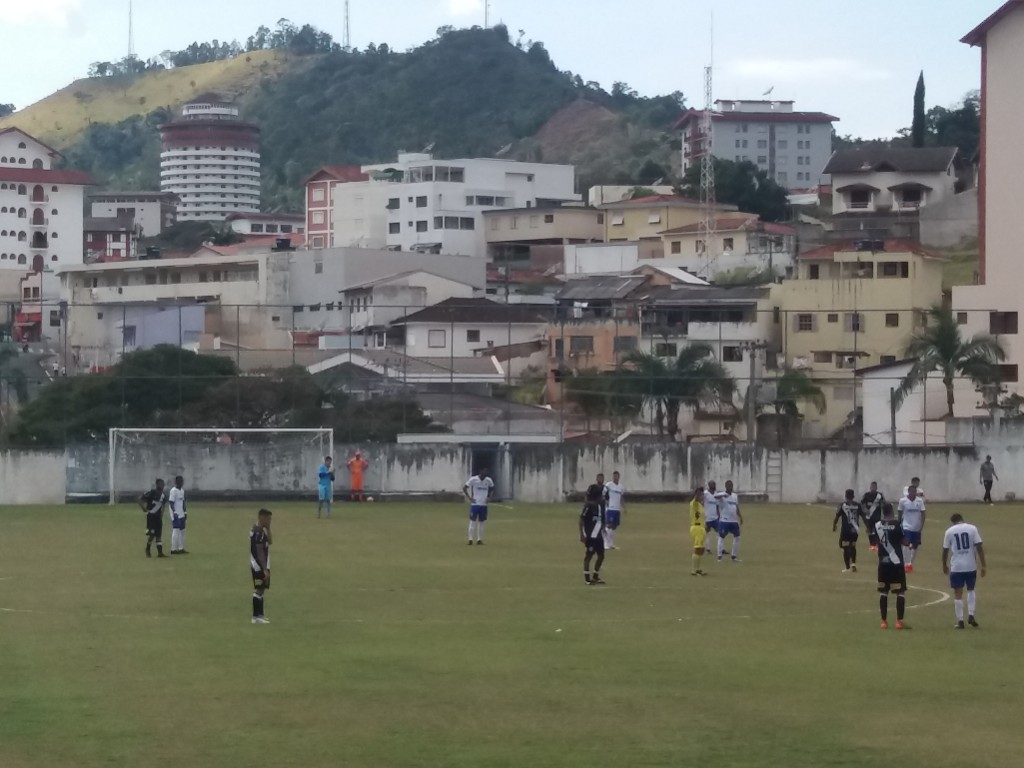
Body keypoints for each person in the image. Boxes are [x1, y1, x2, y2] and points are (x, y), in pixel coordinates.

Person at [942, 513, 986, 629]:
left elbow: (945, 550)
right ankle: (971, 614)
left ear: (953, 522)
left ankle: (960, 620)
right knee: (971, 589)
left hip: (957, 566)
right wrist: (983, 565)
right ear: (962, 519)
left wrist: (944, 565)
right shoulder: (972, 528)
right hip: (970, 565)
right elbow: (979, 547)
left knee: (958, 593)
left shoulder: (949, 531)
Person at [874, 502, 907, 630]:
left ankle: (883, 621)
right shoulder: (898, 524)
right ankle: (899, 622)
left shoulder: (878, 525)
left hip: (883, 562)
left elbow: (877, 541)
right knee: (900, 592)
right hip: (896, 562)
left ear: (883, 511)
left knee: (884, 591)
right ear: (892, 511)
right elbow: (905, 541)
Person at [833, 489, 867, 573]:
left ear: (845, 496)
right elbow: (863, 516)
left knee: (844, 546)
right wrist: (868, 527)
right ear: (853, 496)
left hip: (845, 530)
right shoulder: (858, 505)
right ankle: (853, 564)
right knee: (853, 545)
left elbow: (837, 516)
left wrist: (834, 525)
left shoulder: (843, 505)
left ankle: (847, 567)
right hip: (855, 530)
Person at [579, 481, 606, 585]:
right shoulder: (588, 506)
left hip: (599, 536)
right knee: (588, 556)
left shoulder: (599, 506)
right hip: (591, 536)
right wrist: (582, 534)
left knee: (601, 555)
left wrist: (603, 528)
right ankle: (587, 579)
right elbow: (581, 520)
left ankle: (595, 575)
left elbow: (600, 519)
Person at [250, 509, 273, 625]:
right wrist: (264, 569)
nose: (270, 521)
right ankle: (256, 617)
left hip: (263, 563)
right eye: (268, 519)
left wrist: (268, 528)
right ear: (262, 517)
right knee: (259, 589)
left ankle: (260, 615)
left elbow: (271, 541)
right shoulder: (258, 532)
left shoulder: (261, 529)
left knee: (262, 589)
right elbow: (259, 551)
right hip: (259, 565)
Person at [897, 485, 926, 573]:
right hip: (906, 526)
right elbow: (899, 513)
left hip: (916, 527)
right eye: (911, 491)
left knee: (915, 546)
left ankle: (910, 562)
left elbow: (923, 513)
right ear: (908, 492)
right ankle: (906, 563)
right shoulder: (903, 501)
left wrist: (921, 525)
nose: (913, 493)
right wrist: (899, 524)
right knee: (906, 543)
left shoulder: (919, 501)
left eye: (914, 492)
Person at [463, 468, 494, 545]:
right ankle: (470, 539)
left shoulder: (488, 480)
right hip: (475, 504)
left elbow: (492, 488)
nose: (484, 477)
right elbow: (465, 488)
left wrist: (489, 497)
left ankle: (479, 539)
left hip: (483, 505)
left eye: (485, 476)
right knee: (472, 522)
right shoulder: (473, 479)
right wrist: (469, 498)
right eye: (483, 475)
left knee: (481, 522)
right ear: (480, 473)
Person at [139, 478, 167, 559]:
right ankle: (147, 549)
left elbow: (163, 505)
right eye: (161, 484)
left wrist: (161, 515)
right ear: (157, 484)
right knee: (152, 534)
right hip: (151, 517)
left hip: (158, 518)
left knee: (159, 535)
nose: (162, 486)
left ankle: (160, 552)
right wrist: (144, 509)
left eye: (163, 484)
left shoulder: (163, 495)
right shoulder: (152, 492)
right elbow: (140, 499)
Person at [716, 480, 743, 562]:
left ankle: (734, 556)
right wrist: (723, 495)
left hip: (733, 521)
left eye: (731, 485)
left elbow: (736, 507)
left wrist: (740, 516)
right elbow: (715, 497)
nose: (730, 487)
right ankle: (719, 556)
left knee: (737, 537)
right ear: (726, 486)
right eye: (728, 485)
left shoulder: (735, 496)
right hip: (724, 520)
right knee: (721, 537)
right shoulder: (722, 495)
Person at [689, 485, 708, 576]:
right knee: (697, 549)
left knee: (701, 549)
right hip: (696, 528)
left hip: (701, 528)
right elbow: (696, 498)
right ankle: (694, 570)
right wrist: (698, 491)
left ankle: (698, 569)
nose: (702, 496)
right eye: (701, 494)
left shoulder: (700, 505)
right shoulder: (694, 503)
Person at [603, 470, 624, 550]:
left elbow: (621, 497)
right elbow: (604, 495)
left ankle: (611, 544)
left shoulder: (621, 487)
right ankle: (605, 543)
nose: (615, 477)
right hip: (610, 508)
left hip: (617, 509)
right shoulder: (609, 485)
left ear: (619, 477)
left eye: (617, 476)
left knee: (614, 526)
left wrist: (624, 507)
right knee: (609, 526)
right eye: (614, 476)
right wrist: (606, 502)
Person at [861, 481, 885, 551]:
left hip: (877, 515)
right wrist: (865, 510)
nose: (873, 488)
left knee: (877, 530)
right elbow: (862, 503)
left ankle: (877, 544)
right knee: (870, 530)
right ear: (870, 487)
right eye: (872, 486)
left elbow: (884, 503)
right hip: (869, 516)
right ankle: (872, 544)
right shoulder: (866, 495)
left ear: (876, 487)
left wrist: (883, 509)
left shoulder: (879, 495)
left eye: (874, 487)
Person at [168, 475, 188, 554]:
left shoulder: (182, 491)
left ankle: (181, 548)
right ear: (176, 482)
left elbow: (183, 502)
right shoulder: (173, 491)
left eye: (182, 481)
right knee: (176, 530)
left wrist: (185, 512)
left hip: (181, 513)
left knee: (182, 531)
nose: (182, 483)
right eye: (180, 481)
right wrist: (174, 511)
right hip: (175, 513)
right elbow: (171, 502)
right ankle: (173, 549)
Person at [703, 481, 721, 558]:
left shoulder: (716, 494)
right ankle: (708, 549)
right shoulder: (705, 494)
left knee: (720, 533)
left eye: (714, 484)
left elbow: (717, 505)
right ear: (709, 485)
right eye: (712, 485)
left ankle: (721, 548)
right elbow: (701, 502)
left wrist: (719, 514)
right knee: (707, 533)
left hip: (715, 517)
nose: (714, 486)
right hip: (707, 518)